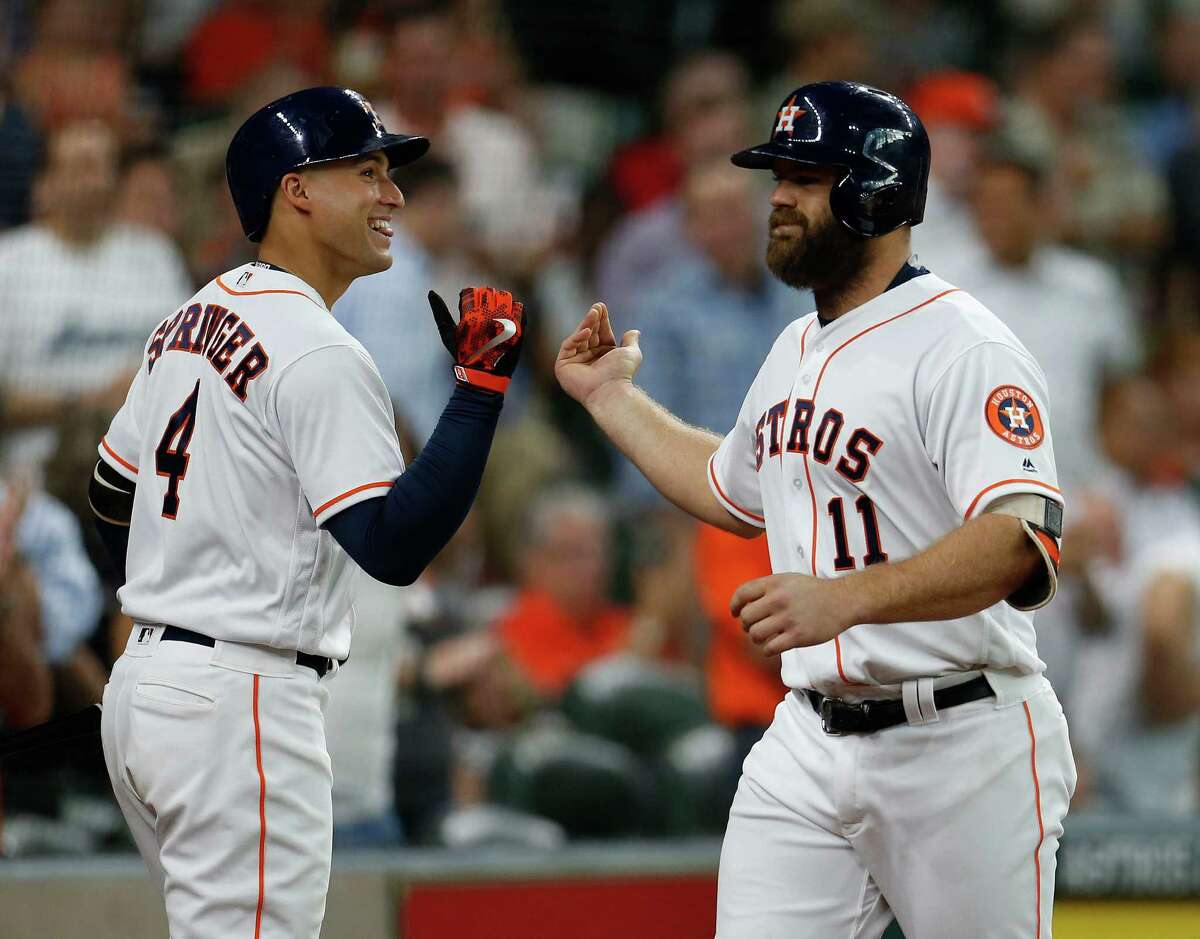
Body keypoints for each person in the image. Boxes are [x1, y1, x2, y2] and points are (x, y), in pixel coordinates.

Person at [555, 81, 1074, 937]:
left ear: (875, 190)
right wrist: (611, 399)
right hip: (809, 735)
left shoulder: (965, 346)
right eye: (779, 177)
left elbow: (1020, 541)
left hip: (960, 735)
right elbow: (728, 486)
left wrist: (849, 596)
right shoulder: (797, 344)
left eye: (804, 177)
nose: (780, 198)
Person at [90, 87, 525, 938]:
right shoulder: (318, 348)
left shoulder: (187, 318)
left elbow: (112, 492)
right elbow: (390, 547)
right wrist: (477, 393)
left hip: (150, 690)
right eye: (367, 171)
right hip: (238, 701)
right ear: (297, 190)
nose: (392, 194)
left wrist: (174, 598)